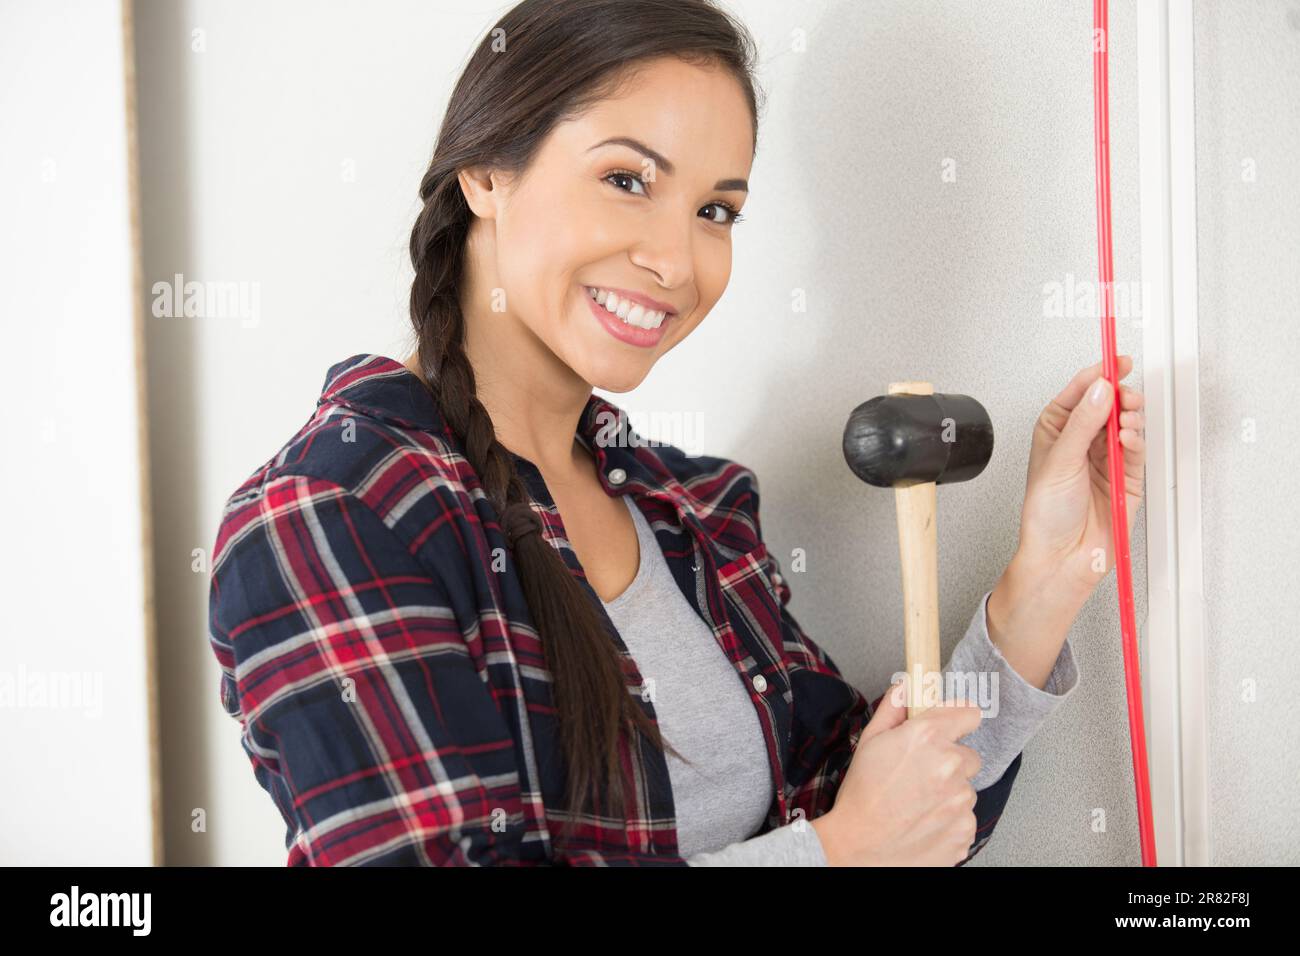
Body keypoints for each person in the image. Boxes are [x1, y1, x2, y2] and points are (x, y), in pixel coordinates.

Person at [207, 0, 1146, 866]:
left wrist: (1047, 580)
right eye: (626, 178)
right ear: (488, 171)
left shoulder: (691, 508)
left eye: (714, 211)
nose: (673, 258)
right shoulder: (331, 516)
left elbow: (897, 811)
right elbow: (854, 842)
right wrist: (838, 853)